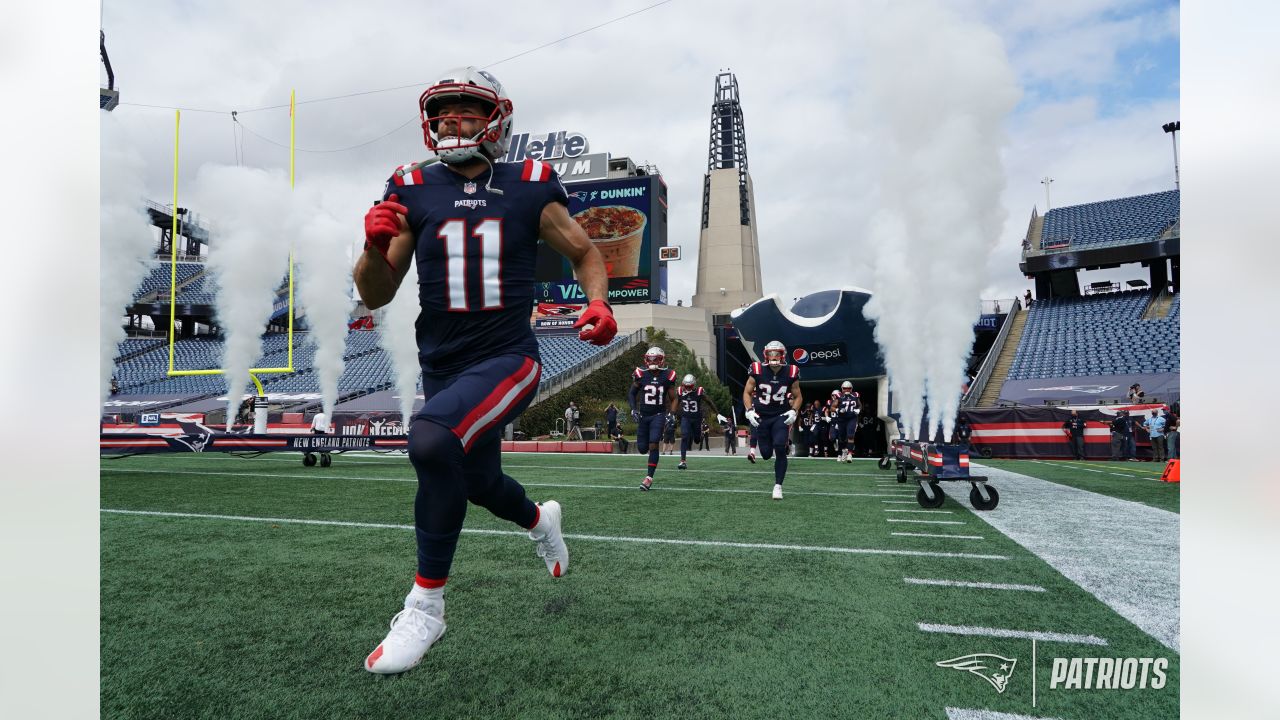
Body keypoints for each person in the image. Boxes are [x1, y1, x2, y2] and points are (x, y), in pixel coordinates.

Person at [352, 67, 618, 675]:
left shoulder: (528, 182)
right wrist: (371, 248)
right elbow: (375, 295)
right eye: (443, 110)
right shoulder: (411, 186)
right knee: (475, 482)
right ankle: (539, 519)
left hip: (508, 357)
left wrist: (597, 300)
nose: (451, 120)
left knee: (430, 439)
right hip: (442, 363)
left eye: (465, 109)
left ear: (496, 117)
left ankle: (426, 605)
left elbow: (583, 251)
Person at [743, 340, 803, 499]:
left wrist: (794, 411)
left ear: (783, 356)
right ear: (766, 355)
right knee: (766, 454)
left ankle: (778, 486)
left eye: (777, 354)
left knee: (779, 446)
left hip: (780, 415)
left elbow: (797, 396)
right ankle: (767, 446)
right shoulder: (757, 369)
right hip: (761, 416)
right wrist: (749, 411)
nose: (774, 357)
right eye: (771, 354)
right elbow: (747, 392)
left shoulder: (791, 371)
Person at [629, 346, 678, 490]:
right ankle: (649, 473)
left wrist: (672, 414)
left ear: (661, 360)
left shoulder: (668, 375)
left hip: (658, 415)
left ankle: (649, 478)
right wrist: (633, 410)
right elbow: (632, 393)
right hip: (644, 416)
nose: (651, 362)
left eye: (655, 359)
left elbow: (674, 398)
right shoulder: (641, 374)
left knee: (653, 444)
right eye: (649, 359)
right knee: (643, 448)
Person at [674, 373, 723, 470]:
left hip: (696, 419)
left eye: (690, 386)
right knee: (684, 437)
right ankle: (683, 461)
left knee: (697, 440)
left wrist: (718, 413)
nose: (688, 388)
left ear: (694, 385)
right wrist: (672, 414)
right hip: (686, 418)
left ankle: (696, 434)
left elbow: (709, 402)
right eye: (686, 386)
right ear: (683, 385)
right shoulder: (679, 391)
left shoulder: (699, 392)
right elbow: (676, 402)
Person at [833, 381, 861, 463]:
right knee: (841, 438)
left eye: (848, 388)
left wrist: (858, 409)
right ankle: (844, 451)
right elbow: (832, 407)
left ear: (851, 389)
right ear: (842, 389)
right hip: (842, 419)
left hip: (852, 418)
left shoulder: (855, 395)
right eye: (845, 388)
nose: (847, 390)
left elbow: (859, 405)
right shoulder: (839, 396)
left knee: (850, 436)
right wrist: (838, 409)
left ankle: (849, 454)